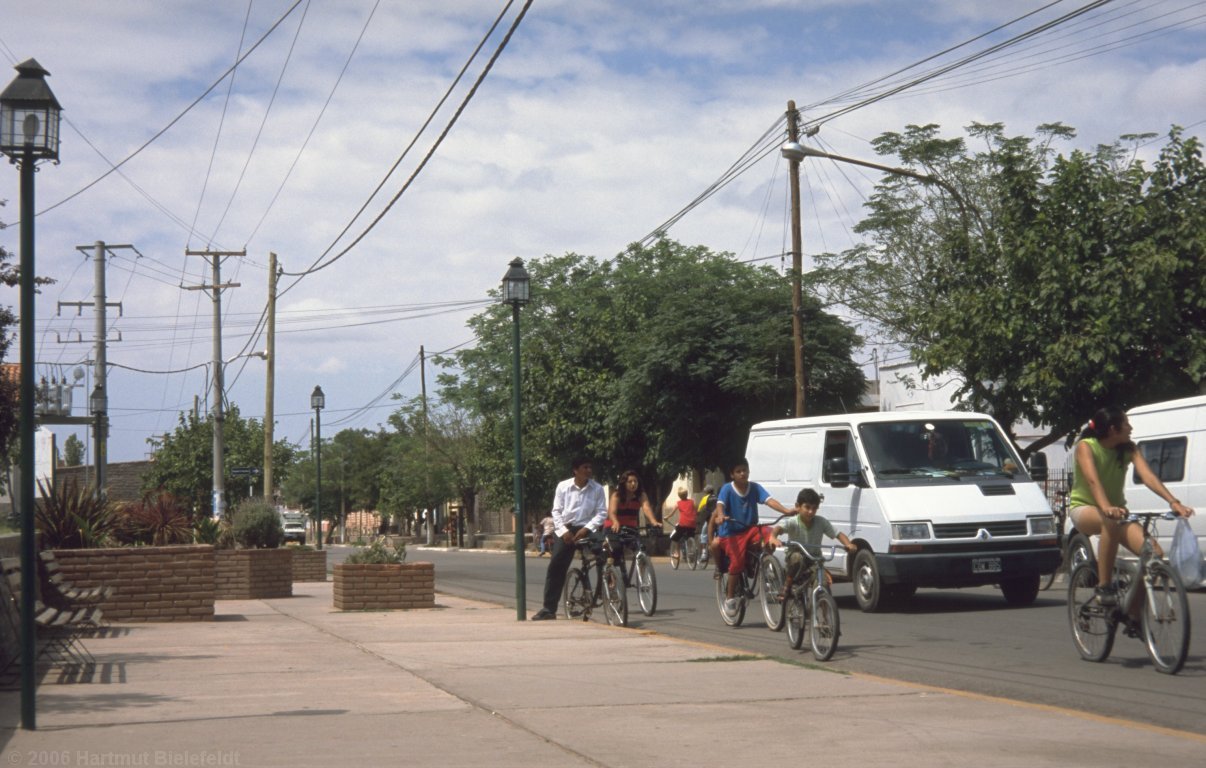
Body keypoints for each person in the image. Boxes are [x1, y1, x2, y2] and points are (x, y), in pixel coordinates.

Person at [1069, 406, 1194, 605]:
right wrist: (1106, 507)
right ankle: (1104, 586)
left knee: (1153, 555)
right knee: (1110, 522)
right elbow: (1093, 481)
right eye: (1126, 424)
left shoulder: (1129, 448)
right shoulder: (1086, 446)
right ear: (1113, 429)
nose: (1130, 428)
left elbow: (1148, 476)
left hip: (1116, 514)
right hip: (1084, 509)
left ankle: (1134, 611)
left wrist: (1173, 502)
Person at [531, 457, 609, 621]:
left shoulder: (597, 488)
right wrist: (564, 531)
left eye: (590, 467)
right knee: (556, 565)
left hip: (588, 528)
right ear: (575, 470)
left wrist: (587, 528)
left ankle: (606, 591)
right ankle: (549, 608)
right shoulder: (563, 486)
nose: (589, 470)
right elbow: (556, 511)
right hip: (566, 529)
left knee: (603, 552)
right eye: (585, 467)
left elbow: (602, 512)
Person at [714, 458, 792, 613]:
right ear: (732, 475)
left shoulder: (755, 487)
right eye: (738, 471)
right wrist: (721, 516)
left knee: (769, 535)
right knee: (736, 563)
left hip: (751, 529)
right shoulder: (727, 489)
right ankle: (730, 598)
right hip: (731, 533)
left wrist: (786, 511)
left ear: (749, 471)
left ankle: (765, 566)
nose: (742, 473)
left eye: (744, 470)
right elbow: (720, 504)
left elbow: (769, 501)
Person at [767, 488, 856, 596]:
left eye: (814, 508)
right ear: (798, 506)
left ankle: (822, 605)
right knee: (797, 557)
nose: (810, 512)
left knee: (823, 584)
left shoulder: (821, 522)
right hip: (795, 559)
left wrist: (848, 544)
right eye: (807, 507)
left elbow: (838, 534)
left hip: (814, 560)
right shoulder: (793, 522)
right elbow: (778, 529)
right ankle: (788, 583)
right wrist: (773, 537)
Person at [606, 470, 660, 585]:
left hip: (630, 528)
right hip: (614, 527)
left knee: (641, 550)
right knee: (615, 549)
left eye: (635, 481)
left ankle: (641, 579)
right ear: (624, 483)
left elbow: (646, 508)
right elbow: (612, 512)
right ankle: (612, 577)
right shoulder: (616, 495)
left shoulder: (641, 495)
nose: (633, 484)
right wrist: (615, 522)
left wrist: (653, 521)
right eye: (630, 481)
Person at [664, 487, 698, 563]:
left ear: (679, 496)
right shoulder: (692, 502)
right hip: (692, 524)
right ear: (687, 494)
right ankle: (691, 550)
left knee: (675, 538)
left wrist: (667, 517)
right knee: (690, 537)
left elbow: (672, 513)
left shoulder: (678, 503)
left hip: (683, 524)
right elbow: (696, 510)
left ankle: (677, 553)